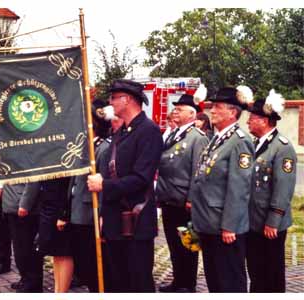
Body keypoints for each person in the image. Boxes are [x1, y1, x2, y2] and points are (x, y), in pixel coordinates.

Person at [87, 79, 163, 292]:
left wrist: (105, 185)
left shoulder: (149, 131)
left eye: (113, 98)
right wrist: (103, 213)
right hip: (115, 219)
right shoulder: (122, 131)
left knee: (137, 281)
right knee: (117, 280)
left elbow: (141, 178)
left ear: (127, 99)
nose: (110, 103)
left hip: (136, 221)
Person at [188, 86, 255, 292]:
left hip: (224, 227)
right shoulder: (218, 138)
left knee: (230, 281)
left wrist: (230, 226)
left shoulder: (239, 141)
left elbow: (239, 188)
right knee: (215, 280)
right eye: (212, 106)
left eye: (217, 107)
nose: (212, 111)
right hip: (208, 223)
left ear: (232, 112)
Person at [156, 94, 208, 293]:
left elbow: (198, 171)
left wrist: (192, 199)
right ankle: (178, 280)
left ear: (192, 114)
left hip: (184, 202)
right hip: (169, 198)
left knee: (188, 244)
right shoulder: (173, 134)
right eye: (175, 108)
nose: (175, 111)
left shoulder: (197, 138)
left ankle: (188, 284)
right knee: (173, 244)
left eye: (180, 109)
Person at [246, 91, 297, 292]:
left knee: (272, 270)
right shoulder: (254, 144)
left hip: (269, 223)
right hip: (253, 220)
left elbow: (284, 188)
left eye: (252, 118)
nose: (248, 122)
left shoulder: (281, 147)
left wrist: (273, 220)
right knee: (256, 269)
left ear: (265, 121)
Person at [68, 98, 113, 292]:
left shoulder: (103, 148)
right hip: (78, 209)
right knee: (84, 263)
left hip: (90, 213)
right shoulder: (85, 145)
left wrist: (102, 217)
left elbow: (102, 187)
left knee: (94, 265)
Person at [2, 182, 43, 292]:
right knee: (19, 247)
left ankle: (33, 283)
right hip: (13, 204)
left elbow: (33, 182)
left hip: (24, 207)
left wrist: (25, 204)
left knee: (27, 247)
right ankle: (25, 278)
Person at [38, 177, 72, 293]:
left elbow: (67, 186)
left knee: (63, 252)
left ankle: (62, 292)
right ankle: (58, 290)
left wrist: (64, 214)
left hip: (60, 208)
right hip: (49, 205)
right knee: (55, 253)